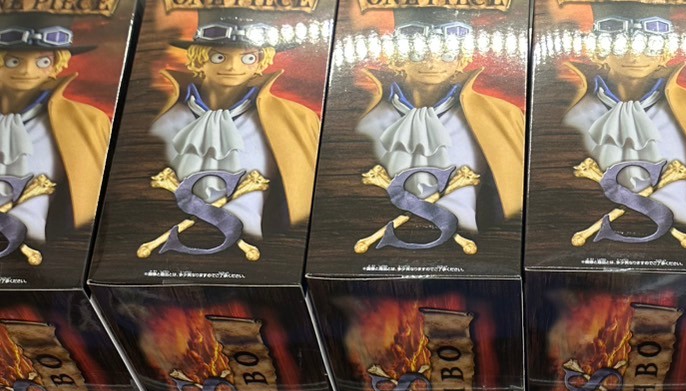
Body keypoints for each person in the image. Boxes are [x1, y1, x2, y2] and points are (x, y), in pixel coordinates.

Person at [562, 2, 686, 230]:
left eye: (650, 44)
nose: (635, 56)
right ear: (599, 47)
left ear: (665, 48)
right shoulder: (568, 112)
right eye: (620, 44)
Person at [151, 10, 320, 244]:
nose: (232, 67)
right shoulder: (162, 118)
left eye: (248, 58)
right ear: (199, 59)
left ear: (261, 62)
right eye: (219, 57)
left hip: (259, 249)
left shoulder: (297, 119)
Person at [356, 9, 524, 237]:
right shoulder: (363, 116)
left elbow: (509, 198)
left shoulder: (502, 116)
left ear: (461, 57)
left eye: (447, 53)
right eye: (418, 52)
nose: (432, 62)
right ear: (398, 55)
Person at [0, 21, 109, 244]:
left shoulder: (87, 121)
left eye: (43, 61)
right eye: (14, 61)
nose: (27, 71)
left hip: (41, 251)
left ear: (56, 64)